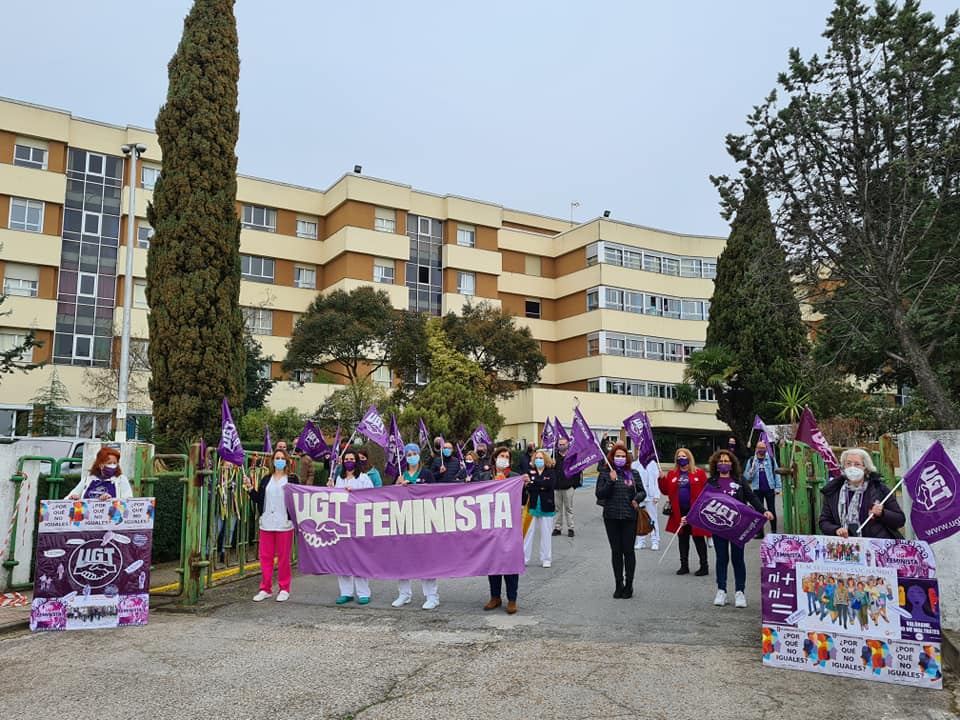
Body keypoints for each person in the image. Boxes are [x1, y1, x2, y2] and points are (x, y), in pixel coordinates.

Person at [707, 449, 772, 608]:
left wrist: (764, 510)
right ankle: (721, 591)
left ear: (732, 464)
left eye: (727, 461)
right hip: (719, 527)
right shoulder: (711, 482)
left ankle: (740, 592)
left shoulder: (740, 480)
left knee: (738, 559)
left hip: (738, 527)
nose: (723, 463)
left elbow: (752, 497)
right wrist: (688, 517)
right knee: (721, 559)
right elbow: (702, 503)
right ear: (716, 464)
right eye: (721, 461)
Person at [243, 449, 297, 602]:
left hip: (284, 524)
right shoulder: (266, 479)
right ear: (272, 460)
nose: (279, 460)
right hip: (266, 523)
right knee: (265, 557)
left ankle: (284, 588)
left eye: (282, 458)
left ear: (287, 461)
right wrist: (249, 488)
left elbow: (299, 499)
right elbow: (259, 499)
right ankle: (265, 588)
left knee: (283, 558)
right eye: (276, 458)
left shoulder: (292, 479)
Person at [819, 448, 905, 539]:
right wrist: (836, 530)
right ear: (843, 466)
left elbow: (900, 519)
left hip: (875, 546)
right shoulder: (833, 491)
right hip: (845, 546)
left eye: (857, 464)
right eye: (848, 463)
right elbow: (824, 521)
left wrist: (882, 513)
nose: (852, 467)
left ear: (865, 468)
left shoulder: (879, 489)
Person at [393, 443, 440, 609]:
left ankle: (432, 596)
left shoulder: (427, 473)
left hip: (423, 521)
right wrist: (397, 486)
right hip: (404, 522)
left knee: (426, 559)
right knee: (402, 558)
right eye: (408, 454)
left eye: (414, 453)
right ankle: (404, 594)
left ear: (419, 455)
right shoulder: (399, 475)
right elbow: (391, 498)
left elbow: (435, 495)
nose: (411, 456)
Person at [595, 443, 645, 598]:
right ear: (612, 457)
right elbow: (600, 494)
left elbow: (643, 491)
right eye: (617, 456)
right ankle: (619, 583)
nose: (620, 459)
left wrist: (637, 499)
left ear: (627, 458)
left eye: (623, 456)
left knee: (628, 551)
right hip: (611, 517)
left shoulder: (633, 473)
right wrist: (610, 481)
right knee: (616, 552)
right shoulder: (605, 473)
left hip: (629, 516)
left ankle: (629, 585)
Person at [659, 448, 709, 577]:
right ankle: (684, 565)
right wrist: (661, 479)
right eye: (679, 456)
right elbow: (665, 491)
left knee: (698, 538)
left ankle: (704, 566)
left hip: (695, 511)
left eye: (684, 456)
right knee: (683, 538)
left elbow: (706, 492)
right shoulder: (672, 474)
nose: (681, 458)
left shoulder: (699, 473)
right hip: (679, 511)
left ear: (689, 457)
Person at [332, 449, 374, 605]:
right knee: (342, 559)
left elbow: (371, 497)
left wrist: (355, 492)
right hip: (341, 522)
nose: (349, 461)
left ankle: (363, 593)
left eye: (351, 458)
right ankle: (346, 592)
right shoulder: (339, 478)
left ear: (356, 461)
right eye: (346, 459)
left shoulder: (363, 478)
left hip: (358, 522)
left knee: (358, 558)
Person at [483, 446, 521, 614]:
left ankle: (512, 599)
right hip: (489, 526)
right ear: (495, 458)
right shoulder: (484, 476)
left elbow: (524, 499)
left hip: (509, 526)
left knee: (510, 562)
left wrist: (525, 485)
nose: (504, 459)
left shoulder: (514, 478)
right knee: (493, 562)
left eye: (507, 457)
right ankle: (495, 597)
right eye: (501, 456)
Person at [523, 449, 556, 568]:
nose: (539, 460)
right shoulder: (529, 471)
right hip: (532, 506)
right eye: (537, 458)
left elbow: (549, 485)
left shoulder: (551, 472)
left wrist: (534, 483)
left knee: (546, 534)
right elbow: (529, 487)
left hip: (546, 506)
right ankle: (524, 558)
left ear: (545, 459)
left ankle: (546, 558)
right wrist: (538, 484)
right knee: (528, 533)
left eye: (541, 458)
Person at [67, 447, 134, 500]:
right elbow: (69, 498)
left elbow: (127, 502)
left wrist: (111, 500)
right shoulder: (87, 480)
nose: (112, 466)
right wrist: (73, 497)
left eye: (115, 463)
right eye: (109, 463)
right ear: (100, 464)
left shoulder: (121, 480)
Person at [743, 440, 780, 534]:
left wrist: (778, 487)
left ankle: (774, 531)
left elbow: (777, 474)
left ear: (766, 449)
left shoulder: (771, 459)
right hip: (757, 489)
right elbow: (746, 477)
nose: (761, 450)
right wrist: (750, 473)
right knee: (759, 511)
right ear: (756, 449)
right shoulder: (752, 460)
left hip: (770, 489)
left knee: (771, 509)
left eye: (763, 448)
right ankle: (760, 532)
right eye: (760, 448)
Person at [631, 454, 662, 551]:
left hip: (651, 496)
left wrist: (657, 495)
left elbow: (655, 481)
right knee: (640, 518)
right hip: (640, 496)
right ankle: (641, 541)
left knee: (652, 519)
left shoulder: (652, 464)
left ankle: (655, 540)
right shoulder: (635, 464)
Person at [552, 438, 581, 537]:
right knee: (557, 509)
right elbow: (550, 471)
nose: (561, 446)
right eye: (560, 444)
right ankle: (557, 528)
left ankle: (570, 528)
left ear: (567, 445)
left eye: (563, 444)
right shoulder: (554, 457)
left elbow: (577, 471)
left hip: (568, 487)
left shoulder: (572, 457)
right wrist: (551, 465)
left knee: (569, 508)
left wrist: (574, 485)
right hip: (557, 487)